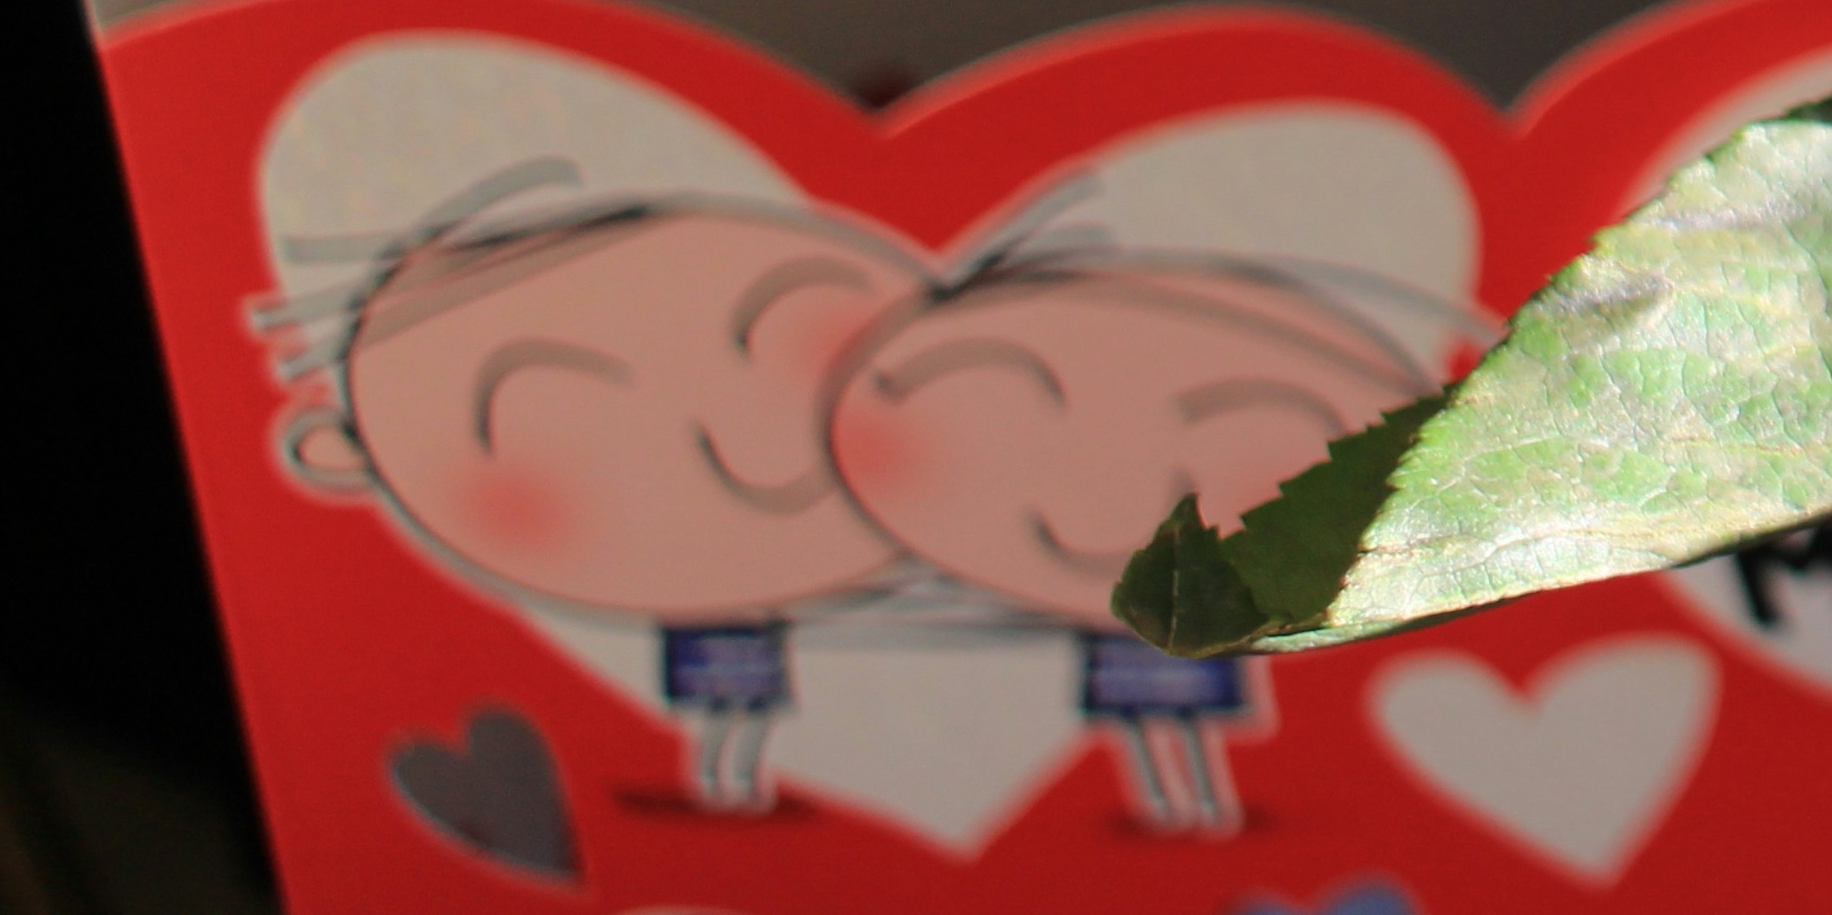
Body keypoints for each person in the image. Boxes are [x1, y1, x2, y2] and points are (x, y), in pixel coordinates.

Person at [284, 192, 925, 812]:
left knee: (751, 708)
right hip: (706, 630)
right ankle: (717, 774)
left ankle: (735, 777)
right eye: (543, 411)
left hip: (749, 629)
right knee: (715, 710)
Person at [824, 258, 1435, 833]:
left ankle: (1194, 798)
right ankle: (1175, 800)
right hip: (1140, 634)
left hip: (1188, 629)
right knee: (1149, 722)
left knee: (1184, 716)